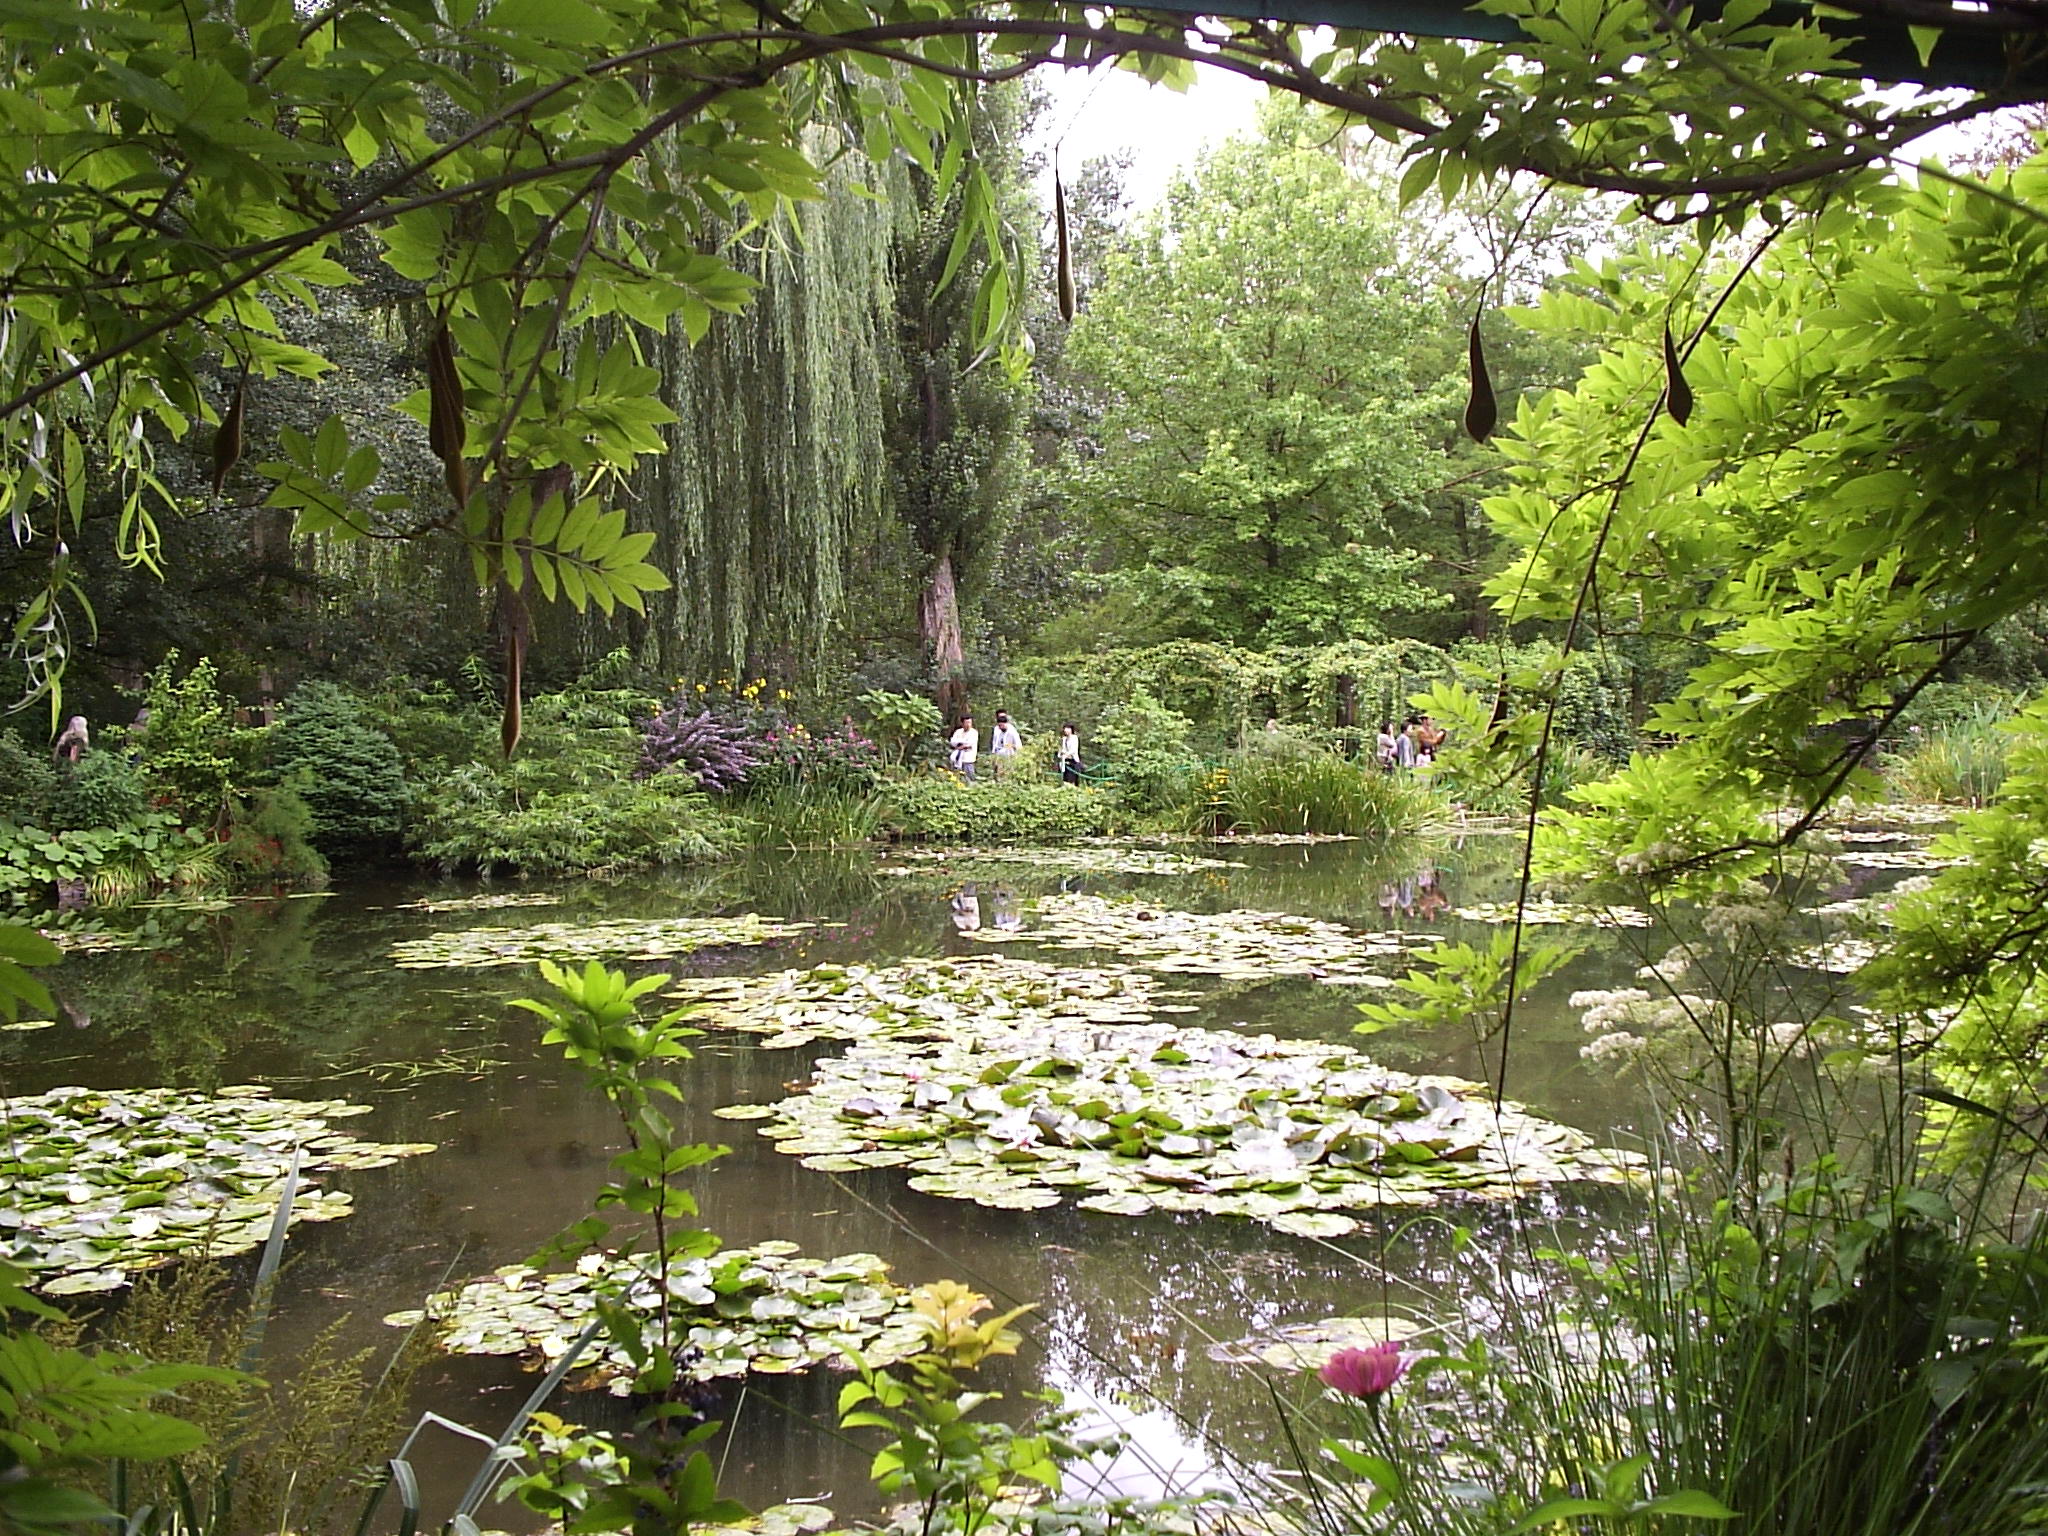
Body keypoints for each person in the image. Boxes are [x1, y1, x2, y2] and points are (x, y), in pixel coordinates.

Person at [989, 711, 1022, 779]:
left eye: (1002, 725)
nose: (1001, 727)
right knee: (999, 772)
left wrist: (1011, 746)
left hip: (1009, 755)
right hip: (999, 755)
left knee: (1008, 772)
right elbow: (995, 743)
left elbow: (1018, 745)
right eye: (999, 726)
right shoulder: (998, 731)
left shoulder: (1012, 732)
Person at [948, 715, 979, 782]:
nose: (968, 725)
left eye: (970, 723)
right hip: (958, 758)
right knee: (958, 775)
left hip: (968, 758)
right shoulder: (958, 732)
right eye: (966, 723)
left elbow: (969, 744)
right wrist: (959, 746)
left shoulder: (973, 732)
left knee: (969, 777)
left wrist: (959, 746)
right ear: (962, 723)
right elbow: (953, 742)